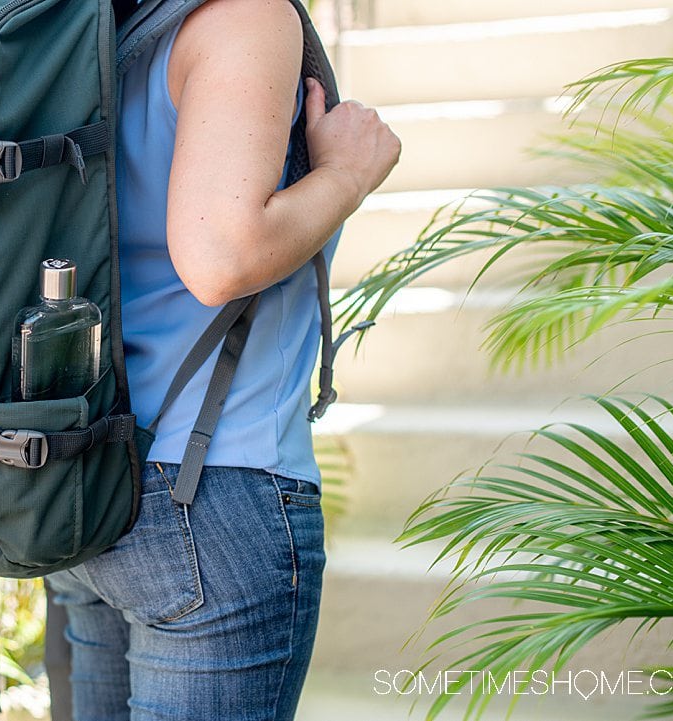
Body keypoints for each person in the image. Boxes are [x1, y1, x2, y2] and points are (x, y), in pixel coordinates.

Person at [44, 0, 401, 718]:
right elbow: (221, 256)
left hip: (84, 477)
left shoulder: (91, 26)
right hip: (206, 500)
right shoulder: (244, 16)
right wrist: (347, 176)